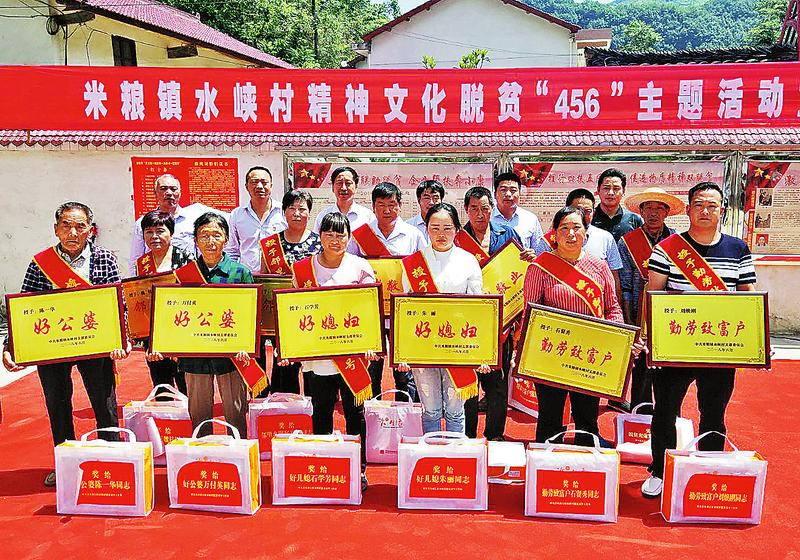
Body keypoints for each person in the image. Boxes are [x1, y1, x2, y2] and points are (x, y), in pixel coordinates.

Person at [641, 182, 756, 499]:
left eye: (712, 205)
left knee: (714, 412)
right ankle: (660, 470)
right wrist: (651, 339)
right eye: (699, 204)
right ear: (689, 209)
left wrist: (757, 339)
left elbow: (748, 298)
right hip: (675, 347)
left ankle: (708, 468)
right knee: (665, 411)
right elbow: (654, 295)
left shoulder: (738, 249)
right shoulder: (668, 248)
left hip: (719, 349)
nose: (705, 211)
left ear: (722, 210)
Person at [2, 202, 130, 487]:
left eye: (80, 226)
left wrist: (121, 339)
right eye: (66, 226)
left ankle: (112, 459)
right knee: (57, 403)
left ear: (90, 230)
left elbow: (118, 304)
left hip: (94, 345)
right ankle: (66, 463)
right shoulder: (40, 263)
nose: (73, 232)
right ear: (56, 229)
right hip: (53, 347)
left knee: (104, 402)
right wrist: (11, 345)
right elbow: (24, 309)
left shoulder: (104, 259)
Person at [523, 206, 641, 447]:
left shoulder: (599, 266)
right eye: (564, 228)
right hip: (551, 356)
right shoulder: (539, 267)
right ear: (554, 233)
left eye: (577, 227)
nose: (571, 233)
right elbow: (530, 314)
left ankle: (587, 463)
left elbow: (612, 308)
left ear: (586, 233)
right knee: (550, 417)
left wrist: (619, 339)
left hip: (589, 356)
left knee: (587, 417)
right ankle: (546, 464)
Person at [289, 212, 379, 491]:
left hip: (352, 357)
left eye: (341, 235)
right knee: (322, 410)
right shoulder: (304, 269)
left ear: (349, 237)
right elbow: (294, 312)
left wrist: (371, 343)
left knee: (355, 413)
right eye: (329, 234)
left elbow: (370, 309)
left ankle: (358, 469)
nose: (335, 240)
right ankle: (325, 465)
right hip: (319, 357)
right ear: (319, 236)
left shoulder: (360, 266)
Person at [398, 203, 489, 434]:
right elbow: (406, 310)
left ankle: (454, 453)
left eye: (447, 228)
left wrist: (482, 352)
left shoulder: (468, 260)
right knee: (430, 410)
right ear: (426, 229)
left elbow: (478, 308)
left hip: (458, 346)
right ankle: (431, 451)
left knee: (455, 411)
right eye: (435, 228)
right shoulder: (414, 263)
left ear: (457, 229)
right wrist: (403, 352)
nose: (441, 234)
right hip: (424, 346)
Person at [176, 212, 253, 439]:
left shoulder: (240, 273)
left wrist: (247, 345)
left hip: (232, 356)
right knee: (198, 415)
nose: (210, 241)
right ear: (196, 240)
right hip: (195, 355)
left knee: (236, 414)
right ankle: (203, 456)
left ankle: (239, 455)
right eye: (204, 235)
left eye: (216, 235)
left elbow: (250, 315)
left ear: (226, 239)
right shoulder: (184, 275)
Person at [349, 182, 426, 402]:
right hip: (371, 313)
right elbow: (350, 266)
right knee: (372, 368)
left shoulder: (413, 235)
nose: (387, 210)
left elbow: (423, 271)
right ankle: (372, 413)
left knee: (404, 371)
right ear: (373, 207)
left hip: (401, 313)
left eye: (392, 204)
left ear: (400, 205)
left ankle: (406, 412)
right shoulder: (360, 235)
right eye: (381, 205)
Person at [458, 187, 522, 441]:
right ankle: (468, 435)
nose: (480, 214)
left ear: (492, 209)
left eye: (485, 208)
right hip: (468, 321)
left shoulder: (507, 233)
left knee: (497, 383)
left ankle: (495, 434)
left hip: (501, 321)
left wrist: (528, 259)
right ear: (466, 210)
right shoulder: (459, 238)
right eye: (474, 208)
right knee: (468, 383)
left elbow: (519, 269)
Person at [617, 188, 683, 411]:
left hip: (670, 313)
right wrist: (630, 322)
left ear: (667, 212)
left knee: (670, 367)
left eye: (658, 208)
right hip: (639, 312)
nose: (653, 213)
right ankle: (640, 414)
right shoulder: (627, 242)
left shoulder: (678, 241)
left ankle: (669, 413)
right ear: (641, 212)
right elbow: (625, 285)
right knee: (642, 366)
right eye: (648, 208)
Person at [259, 189, 322, 395]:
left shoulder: (320, 243)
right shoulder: (271, 245)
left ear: (309, 212)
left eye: (302, 209)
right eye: (291, 208)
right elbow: (266, 280)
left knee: (314, 369)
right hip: (282, 317)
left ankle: (315, 409)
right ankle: (287, 408)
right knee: (285, 370)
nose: (296, 213)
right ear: (284, 212)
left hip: (312, 314)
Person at [134, 210, 194, 398]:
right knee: (161, 385)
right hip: (154, 335)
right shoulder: (142, 263)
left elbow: (195, 299)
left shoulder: (186, 260)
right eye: (149, 232)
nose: (154, 236)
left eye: (160, 231)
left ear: (171, 233)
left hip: (182, 332)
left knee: (187, 385)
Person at [128, 173, 214, 274]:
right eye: (163, 189)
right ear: (155, 193)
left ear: (180, 193)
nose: (169, 193)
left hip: (186, 276)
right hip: (153, 277)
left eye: (173, 189)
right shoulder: (142, 222)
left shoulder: (194, 221)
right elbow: (135, 259)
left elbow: (202, 253)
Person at [227, 166, 287, 273]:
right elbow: (231, 250)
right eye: (254, 182)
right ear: (246, 186)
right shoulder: (237, 215)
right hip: (247, 276)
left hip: (278, 276)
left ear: (271, 186)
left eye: (264, 182)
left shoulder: (284, 212)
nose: (259, 186)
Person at [490, 171, 542, 259]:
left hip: (522, 267)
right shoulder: (487, 218)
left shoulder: (531, 219)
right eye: (503, 190)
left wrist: (533, 256)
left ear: (520, 194)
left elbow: (539, 252)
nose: (508, 194)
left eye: (513, 190)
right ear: (495, 195)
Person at [313, 166, 375, 233]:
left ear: (356, 187)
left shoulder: (367, 216)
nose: (344, 188)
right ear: (333, 187)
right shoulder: (323, 216)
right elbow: (317, 239)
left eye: (348, 183)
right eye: (339, 183)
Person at [591, 168, 644, 241]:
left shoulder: (634, 220)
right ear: (598, 190)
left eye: (616, 188)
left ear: (623, 191)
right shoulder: (589, 217)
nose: (610, 193)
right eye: (606, 188)